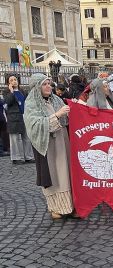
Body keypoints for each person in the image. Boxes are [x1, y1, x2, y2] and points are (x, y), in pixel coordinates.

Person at [23, 73, 75, 219]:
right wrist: (57, 115)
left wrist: (73, 108)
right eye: (44, 84)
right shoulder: (31, 103)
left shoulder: (56, 99)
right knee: (54, 174)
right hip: (46, 145)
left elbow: (67, 115)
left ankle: (71, 206)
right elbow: (34, 125)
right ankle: (55, 208)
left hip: (62, 141)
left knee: (66, 172)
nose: (48, 87)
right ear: (36, 87)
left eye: (49, 84)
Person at [3, 74, 34, 164]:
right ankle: (16, 157)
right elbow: (8, 101)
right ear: (8, 83)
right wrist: (11, 91)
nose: (14, 81)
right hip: (13, 117)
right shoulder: (6, 92)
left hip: (24, 115)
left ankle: (28, 156)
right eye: (11, 80)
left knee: (27, 137)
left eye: (15, 79)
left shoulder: (22, 91)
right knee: (15, 138)